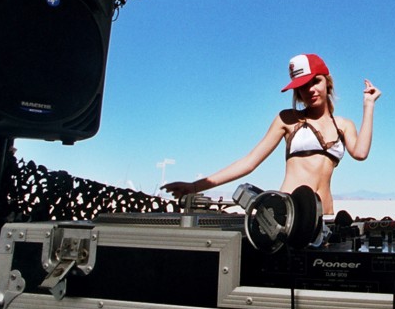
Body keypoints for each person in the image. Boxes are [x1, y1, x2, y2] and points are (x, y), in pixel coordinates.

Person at [162, 53, 381, 215]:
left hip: (325, 214)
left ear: (327, 81)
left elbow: (360, 153)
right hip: (288, 213)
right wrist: (195, 187)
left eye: (316, 81)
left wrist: (368, 105)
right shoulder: (288, 119)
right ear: (298, 92)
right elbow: (249, 162)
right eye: (303, 86)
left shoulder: (344, 125)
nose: (311, 90)